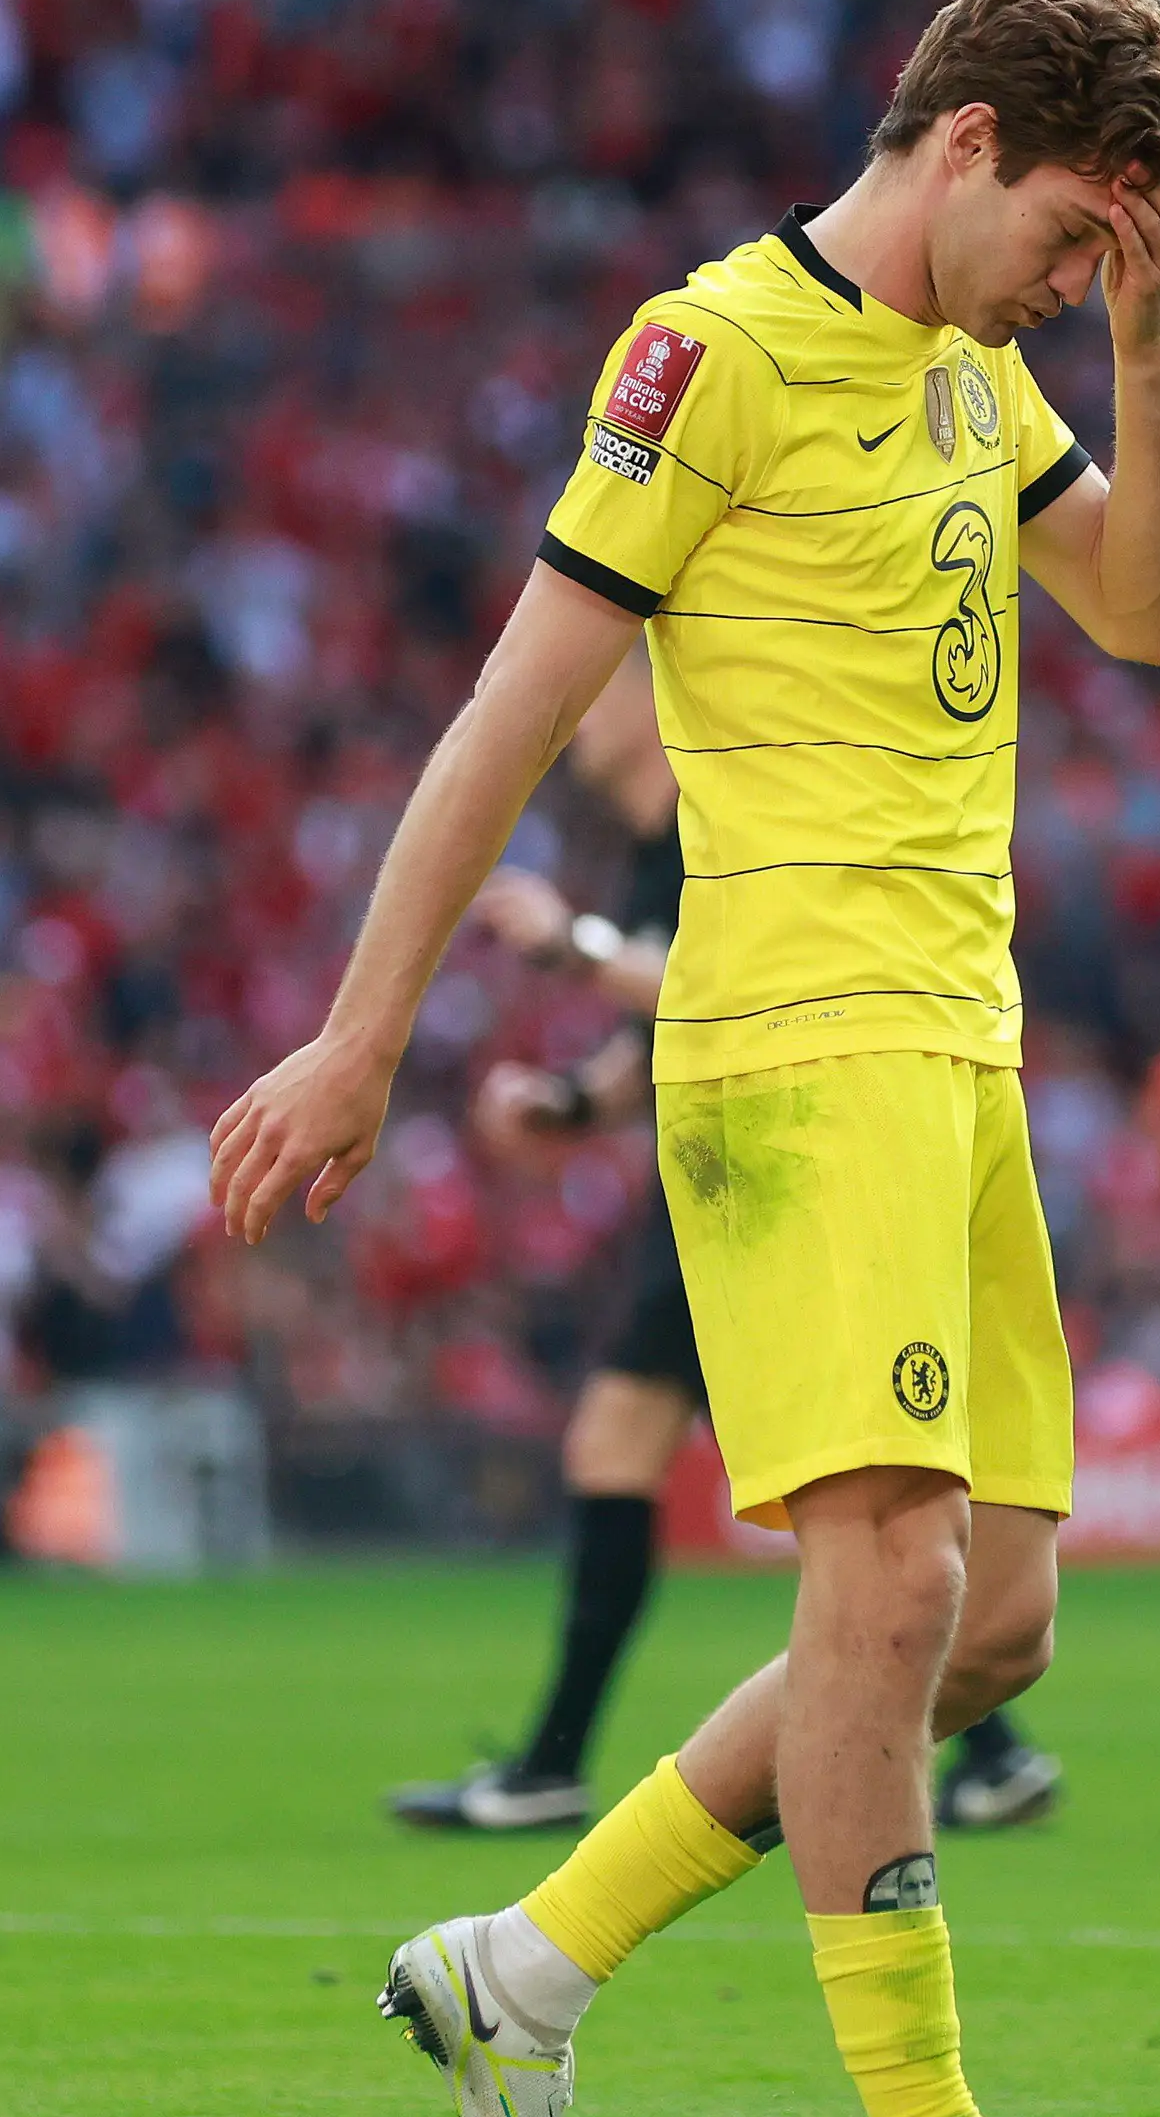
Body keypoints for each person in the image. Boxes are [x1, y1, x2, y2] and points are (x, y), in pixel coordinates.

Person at [211, 0, 1160, 2117]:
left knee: (993, 1622)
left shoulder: (993, 368)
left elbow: (1150, 613)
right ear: (964, 136)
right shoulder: (717, 352)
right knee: (880, 1580)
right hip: (793, 1031)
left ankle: (526, 1961)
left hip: (963, 1041)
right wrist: (362, 1032)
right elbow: (504, 711)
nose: (1079, 280)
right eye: (1076, 234)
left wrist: (1140, 355)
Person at [389, 659, 1064, 1835]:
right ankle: (989, 1740)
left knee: (796, 1486)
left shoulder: (720, 813)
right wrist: (573, 1102)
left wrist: (571, 944)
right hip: (724, 1178)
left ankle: (568, 1766)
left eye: (600, 683)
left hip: (769, 1175)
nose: (578, 709)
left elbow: (730, 979)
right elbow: (682, 1012)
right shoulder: (669, 840)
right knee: (745, 1475)